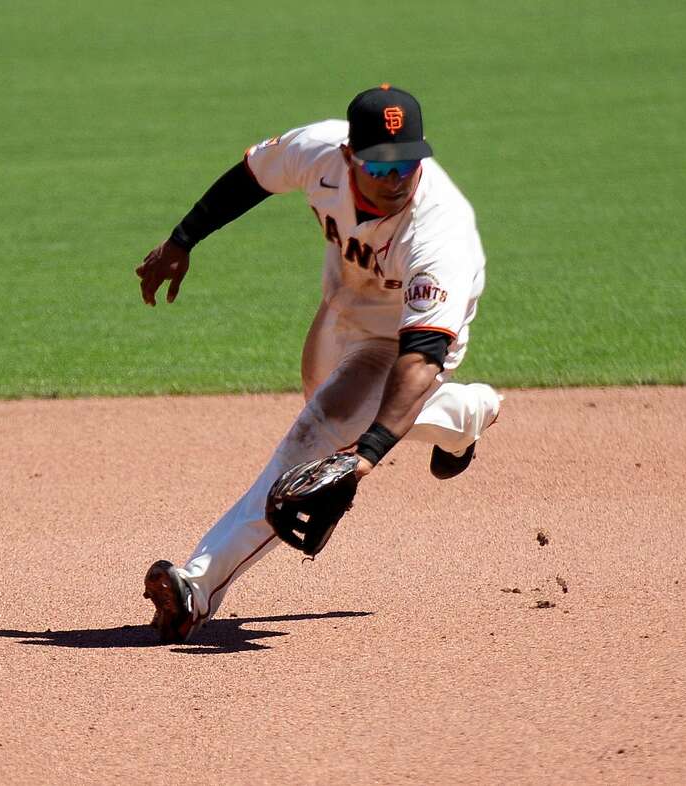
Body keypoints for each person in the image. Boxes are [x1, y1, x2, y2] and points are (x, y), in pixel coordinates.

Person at [135, 85, 502, 643]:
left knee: (316, 435)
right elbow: (253, 176)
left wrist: (366, 458)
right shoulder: (318, 150)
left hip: (406, 344)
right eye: (382, 163)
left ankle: (197, 587)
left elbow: (421, 357)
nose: (398, 175)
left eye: (409, 160)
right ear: (351, 155)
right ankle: (464, 415)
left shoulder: (440, 234)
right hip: (342, 312)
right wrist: (184, 239)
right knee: (324, 400)